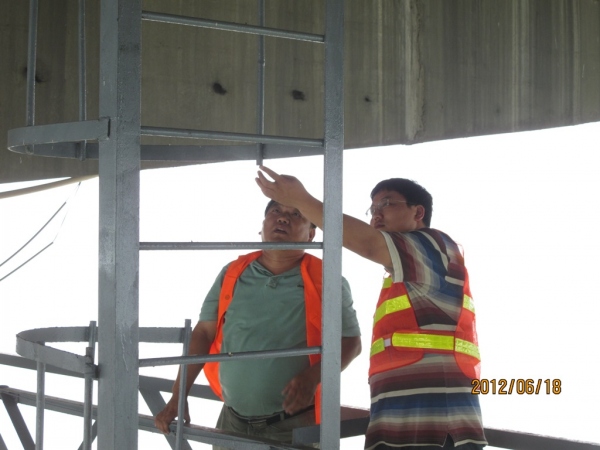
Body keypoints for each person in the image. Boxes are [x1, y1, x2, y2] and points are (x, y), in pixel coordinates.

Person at [256, 166, 487, 450]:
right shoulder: (405, 276)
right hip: (402, 425)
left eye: (387, 204)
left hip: (435, 429)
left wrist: (301, 200)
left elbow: (367, 243)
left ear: (418, 212)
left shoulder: (433, 247)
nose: (376, 214)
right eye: (372, 208)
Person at [154, 199, 362, 448]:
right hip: (231, 423)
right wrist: (178, 395)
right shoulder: (232, 272)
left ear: (311, 234)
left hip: (294, 427)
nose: (283, 217)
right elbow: (203, 333)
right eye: (275, 211)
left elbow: (351, 343)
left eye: (296, 214)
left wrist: (313, 377)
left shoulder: (329, 280)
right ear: (262, 226)